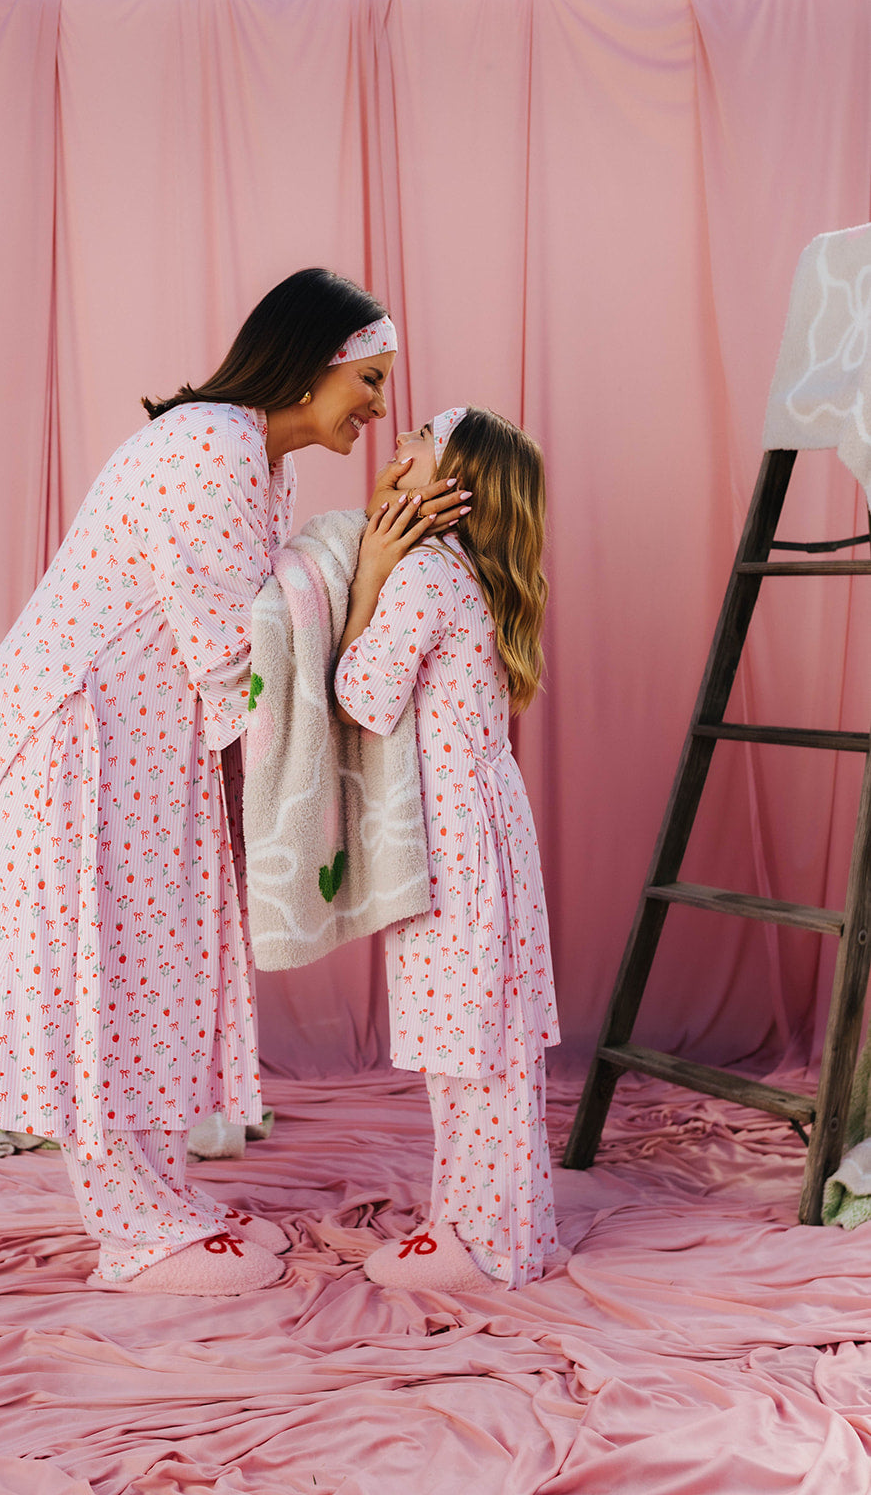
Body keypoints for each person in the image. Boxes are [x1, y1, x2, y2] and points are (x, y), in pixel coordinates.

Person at [0, 269, 461, 1297]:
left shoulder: (256, 457)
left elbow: (253, 626)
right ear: (312, 362)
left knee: (151, 960)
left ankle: (167, 1203)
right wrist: (369, 576)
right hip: (76, 730)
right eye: (367, 381)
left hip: (140, 737)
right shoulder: (213, 450)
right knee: (102, 972)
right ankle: (134, 1232)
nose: (377, 409)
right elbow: (234, 652)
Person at [334, 406, 560, 1292]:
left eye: (419, 439)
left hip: (453, 843)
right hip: (489, 827)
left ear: (455, 484)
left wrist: (368, 578)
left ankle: (473, 1237)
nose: (399, 444)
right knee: (489, 1037)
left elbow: (361, 695)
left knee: (464, 1041)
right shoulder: (470, 575)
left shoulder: (425, 575)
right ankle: (495, 1224)